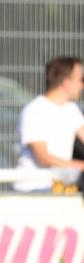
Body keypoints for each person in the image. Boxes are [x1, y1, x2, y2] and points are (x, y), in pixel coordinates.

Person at [14, 56, 84, 192]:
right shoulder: (34, 110)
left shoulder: (72, 110)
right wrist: (81, 165)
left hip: (59, 188)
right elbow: (43, 157)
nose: (82, 86)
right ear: (66, 83)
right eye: (80, 80)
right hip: (34, 189)